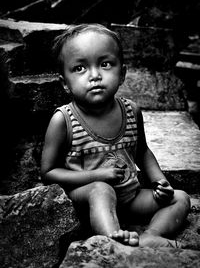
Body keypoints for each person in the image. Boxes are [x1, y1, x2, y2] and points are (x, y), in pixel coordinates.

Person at [41, 23, 190, 247]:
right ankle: (113, 238)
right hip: (86, 200)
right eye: (80, 68)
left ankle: (152, 234)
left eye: (105, 64)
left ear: (122, 73)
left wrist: (159, 181)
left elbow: (142, 152)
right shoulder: (63, 120)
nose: (94, 75)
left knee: (180, 198)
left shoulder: (132, 111)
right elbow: (49, 173)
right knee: (102, 189)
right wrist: (98, 175)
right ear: (64, 83)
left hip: (130, 198)